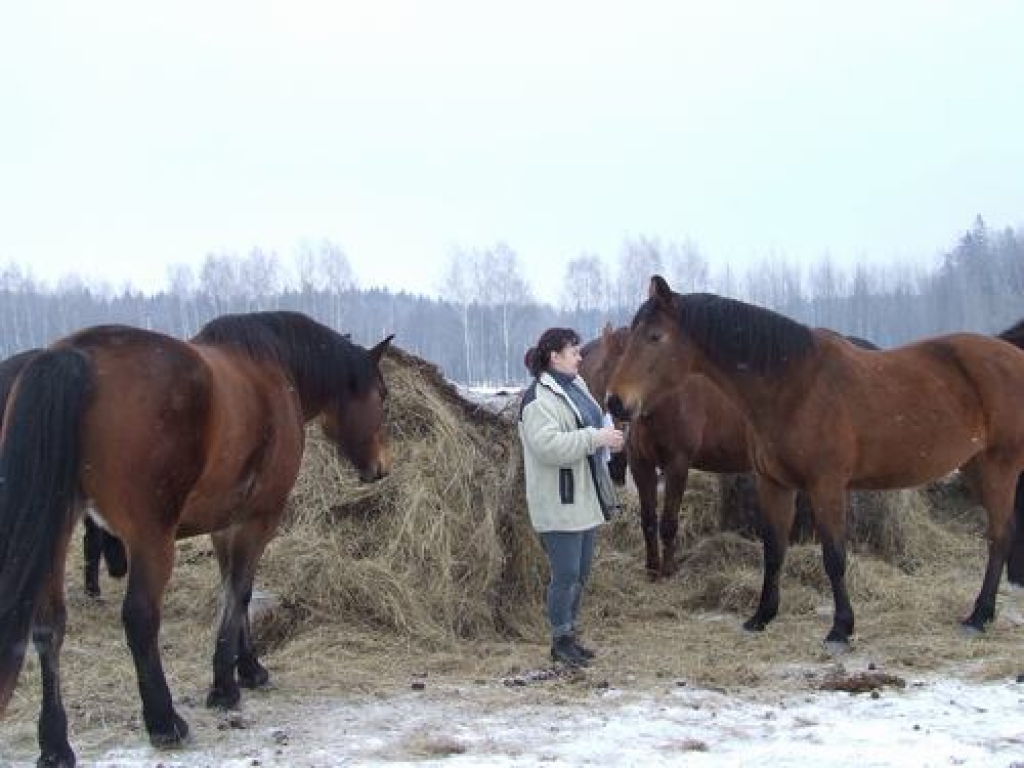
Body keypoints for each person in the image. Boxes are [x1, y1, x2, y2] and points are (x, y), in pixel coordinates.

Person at [518, 327, 625, 667]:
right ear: (555, 357)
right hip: (559, 498)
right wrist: (597, 438)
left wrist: (608, 435)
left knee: (580, 573)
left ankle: (571, 635)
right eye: (573, 351)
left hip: (585, 495)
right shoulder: (537, 400)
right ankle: (559, 640)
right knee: (565, 574)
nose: (580, 357)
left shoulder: (575, 386)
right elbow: (548, 448)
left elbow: (591, 420)